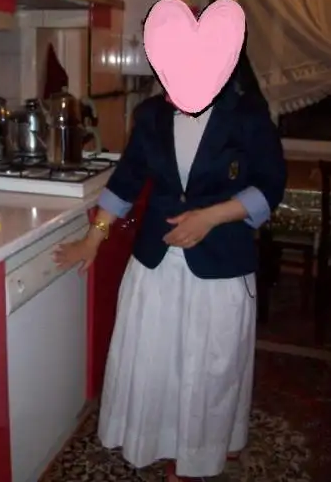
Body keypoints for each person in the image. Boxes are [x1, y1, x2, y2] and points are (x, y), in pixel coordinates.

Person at [54, 36, 286, 481]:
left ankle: (202, 449)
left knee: (212, 364)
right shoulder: (152, 116)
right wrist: (93, 239)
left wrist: (211, 217)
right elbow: (126, 181)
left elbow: (270, 186)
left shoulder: (247, 115)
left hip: (220, 262)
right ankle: (158, 440)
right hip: (156, 261)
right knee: (156, 358)